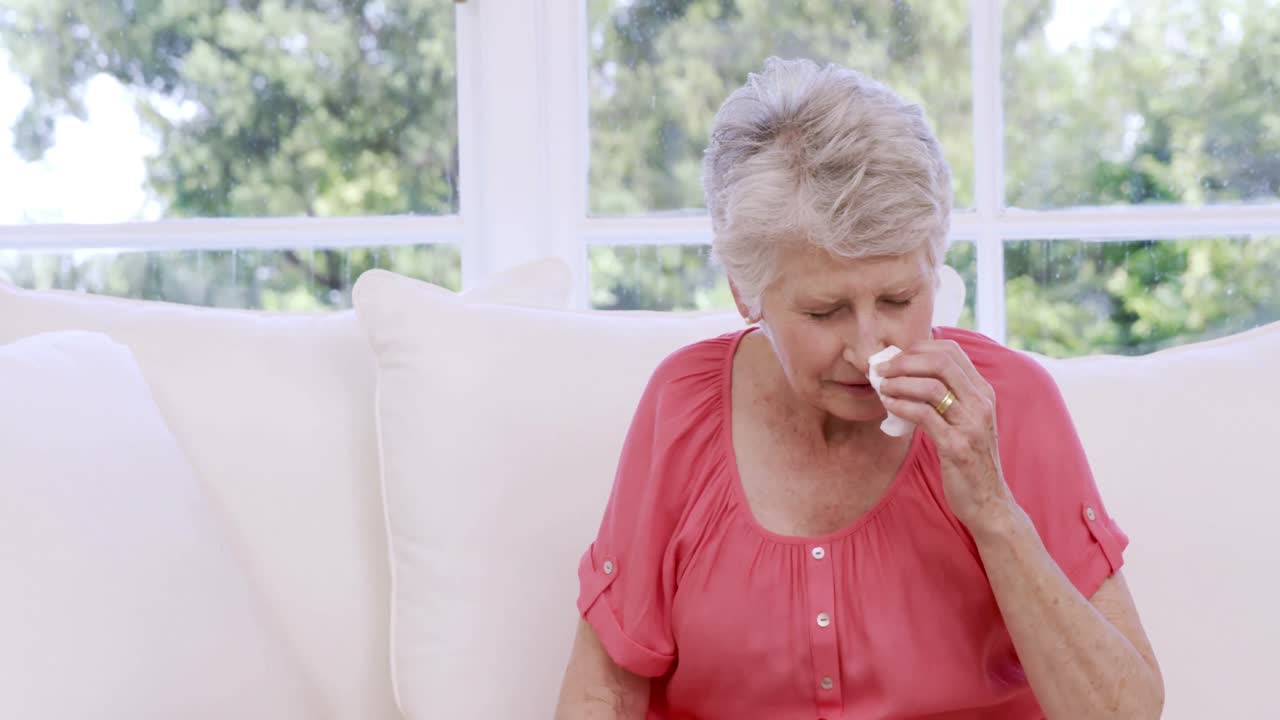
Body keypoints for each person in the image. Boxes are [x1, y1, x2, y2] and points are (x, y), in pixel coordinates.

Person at [555, 58, 1163, 720]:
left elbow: (1123, 712)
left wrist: (991, 509)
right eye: (825, 312)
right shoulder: (683, 406)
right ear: (744, 292)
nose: (872, 345)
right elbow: (604, 691)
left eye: (899, 297)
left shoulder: (1010, 403)